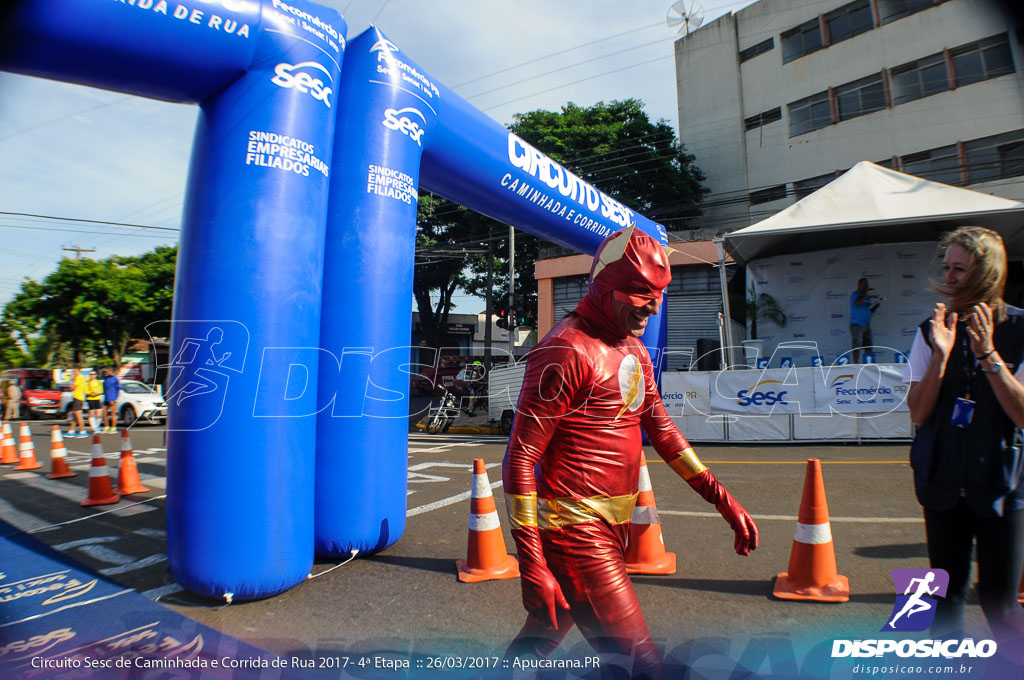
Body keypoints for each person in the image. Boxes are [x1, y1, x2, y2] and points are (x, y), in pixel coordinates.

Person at [502, 226, 758, 679]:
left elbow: (662, 431)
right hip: (575, 532)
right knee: (641, 665)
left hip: (609, 527)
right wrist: (530, 564)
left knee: (542, 635)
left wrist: (723, 499)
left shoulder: (634, 350)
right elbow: (520, 458)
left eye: (658, 294)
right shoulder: (565, 350)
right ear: (603, 286)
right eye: (640, 293)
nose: (652, 306)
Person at [904, 226, 1024, 644]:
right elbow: (919, 412)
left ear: (987, 273)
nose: (950, 276)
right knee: (944, 598)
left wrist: (989, 356)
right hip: (941, 481)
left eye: (961, 269)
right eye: (947, 267)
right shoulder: (930, 330)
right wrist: (941, 353)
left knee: (999, 602)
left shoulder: (1020, 331)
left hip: (1001, 485)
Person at [849, 277, 881, 364]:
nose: (866, 286)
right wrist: (866, 292)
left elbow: (868, 310)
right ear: (859, 285)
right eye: (864, 284)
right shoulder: (855, 294)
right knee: (856, 346)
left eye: (867, 284)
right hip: (857, 324)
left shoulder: (867, 297)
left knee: (868, 346)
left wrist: (875, 307)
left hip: (866, 324)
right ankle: (856, 365)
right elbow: (858, 303)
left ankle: (869, 364)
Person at [66, 366, 88, 438]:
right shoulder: (80, 377)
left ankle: (82, 431)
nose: (73, 373)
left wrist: (72, 379)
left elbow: (72, 387)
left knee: (78, 415)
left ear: (77, 371)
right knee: (74, 415)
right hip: (77, 397)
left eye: (74, 371)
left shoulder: (79, 377)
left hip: (78, 398)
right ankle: (71, 430)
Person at [85, 369, 105, 434]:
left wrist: (97, 393)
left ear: (95, 375)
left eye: (93, 374)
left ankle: (97, 427)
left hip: (97, 398)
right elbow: (87, 391)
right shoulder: (88, 383)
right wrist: (93, 393)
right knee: (91, 414)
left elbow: (101, 390)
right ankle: (94, 428)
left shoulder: (99, 382)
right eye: (91, 374)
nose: (92, 376)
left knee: (99, 414)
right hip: (90, 399)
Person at [103, 367, 120, 434]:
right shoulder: (106, 378)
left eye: (107, 371)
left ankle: (113, 428)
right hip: (106, 397)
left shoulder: (115, 378)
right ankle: (106, 427)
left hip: (112, 398)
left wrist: (115, 398)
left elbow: (118, 389)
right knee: (104, 413)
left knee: (113, 413)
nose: (106, 372)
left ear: (110, 371)